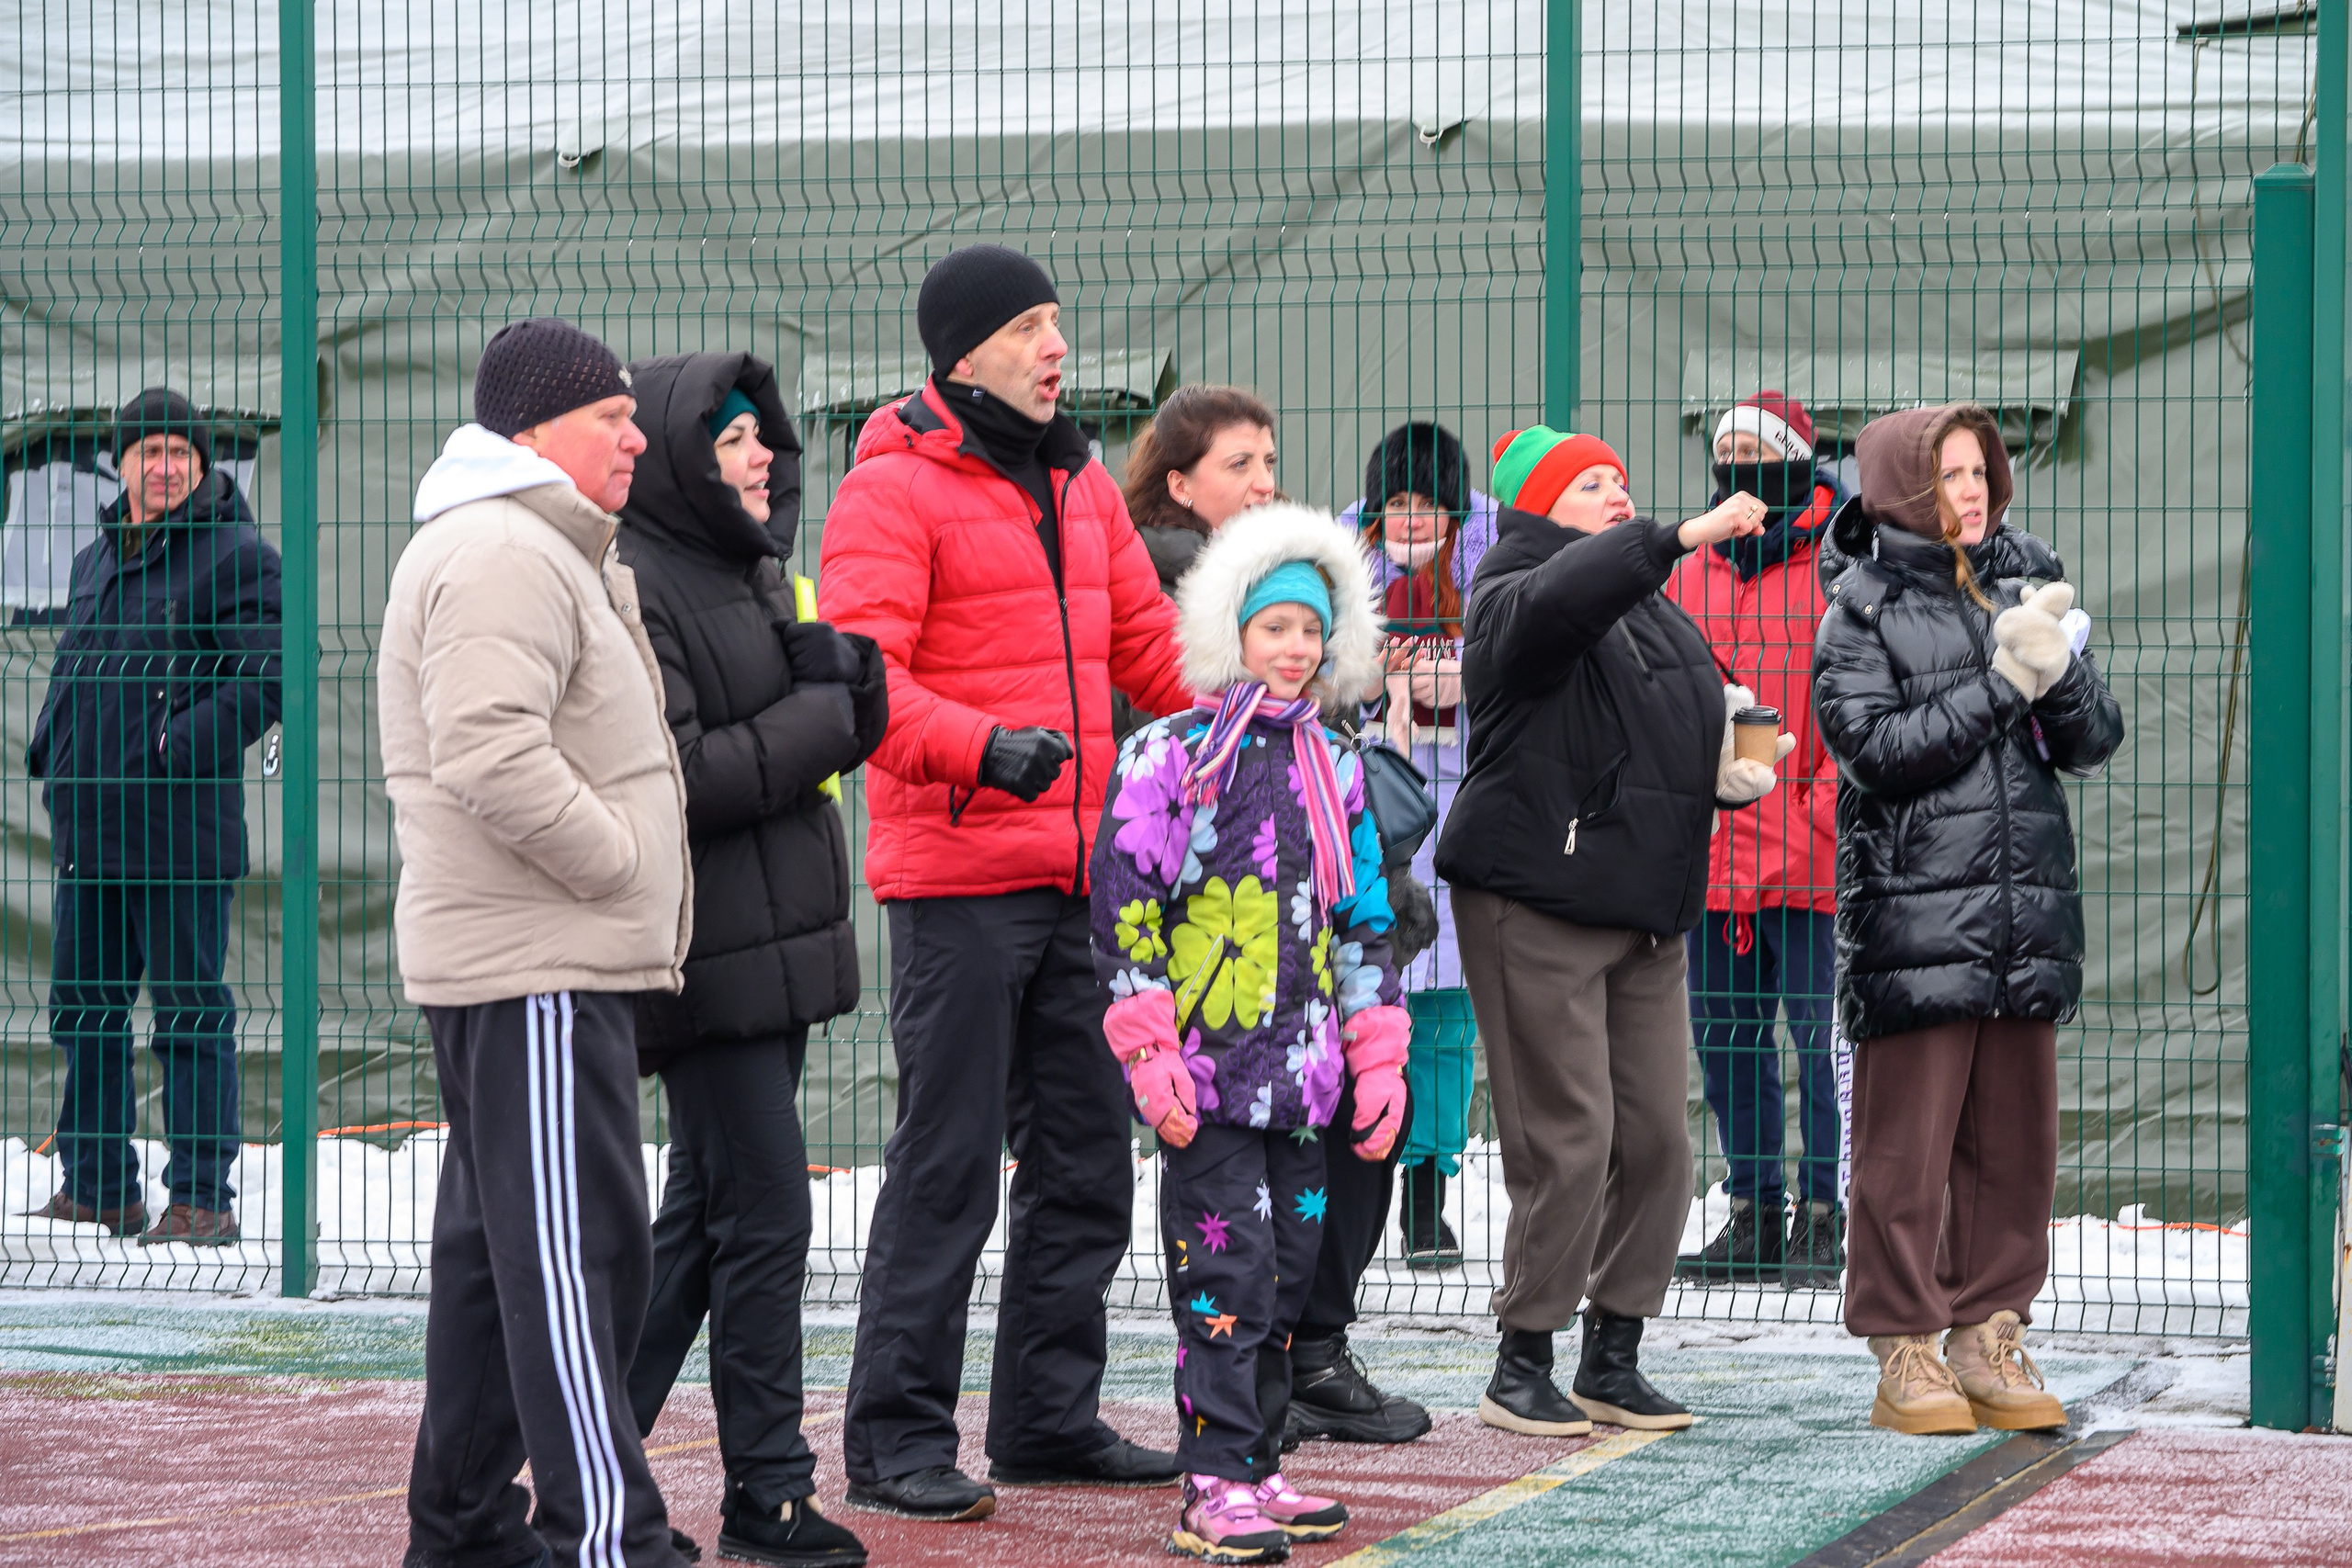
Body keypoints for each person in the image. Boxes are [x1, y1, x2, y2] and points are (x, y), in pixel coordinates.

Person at [819, 244, 1193, 1521]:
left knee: (1089, 1156)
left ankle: (1045, 1415)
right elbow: (865, 682)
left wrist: (1257, 715)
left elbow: (1149, 640)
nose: (1057, 344)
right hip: (961, 878)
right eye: (1030, 324)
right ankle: (896, 1437)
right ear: (961, 351)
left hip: (1082, 874)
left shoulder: (1081, 479)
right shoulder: (890, 490)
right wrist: (984, 746)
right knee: (948, 1162)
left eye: (1058, 322)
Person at [381, 318, 693, 1568]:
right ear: (534, 427)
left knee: (492, 1258)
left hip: (535, 959)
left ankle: (461, 1528)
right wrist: (615, 859)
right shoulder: (508, 548)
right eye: (611, 414)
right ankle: (606, 1533)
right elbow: (490, 752)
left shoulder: (546, 546)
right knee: (581, 1256)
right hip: (538, 962)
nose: (635, 434)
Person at [1433, 425, 1786, 1438]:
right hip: (1534, 898)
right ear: (1540, 507)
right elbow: (1561, 603)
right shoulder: (1511, 590)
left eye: (1622, 482)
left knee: (1661, 1143)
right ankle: (1522, 1359)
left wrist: (1729, 760)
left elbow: (1691, 714)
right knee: (1569, 1140)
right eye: (1592, 484)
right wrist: (1680, 534)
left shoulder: (1651, 615)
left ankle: (1613, 1354)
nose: (1618, 495)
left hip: (1643, 913)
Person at [1089, 502, 1405, 1562]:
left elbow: (1364, 915)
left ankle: (1259, 1464)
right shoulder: (1169, 757)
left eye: (1311, 631)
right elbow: (1127, 908)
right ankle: (1213, 1479)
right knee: (1222, 1282)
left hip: (1305, 1078)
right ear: (1232, 633)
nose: (1295, 649)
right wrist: (1149, 1050)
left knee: (1284, 1273)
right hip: (1211, 1077)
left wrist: (1375, 1048)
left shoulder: (1337, 765)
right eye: (1274, 628)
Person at [616, 352, 887, 1567]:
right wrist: (822, 715)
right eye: (729, 440)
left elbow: (798, 735)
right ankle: (767, 1497)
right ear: (681, 453)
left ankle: (590, 1464)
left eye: (761, 437)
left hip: (770, 944)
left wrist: (853, 690)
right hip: (703, 955)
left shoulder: (757, 568)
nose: (759, 455)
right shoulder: (638, 581)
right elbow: (677, 777)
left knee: (701, 1222)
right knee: (767, 1213)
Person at [1810, 404, 2121, 1435]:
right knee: (1905, 1149)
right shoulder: (1856, 607)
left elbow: (2092, 741)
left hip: (2023, 913)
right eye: (1949, 473)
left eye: (1980, 469)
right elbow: (1875, 750)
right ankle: (1903, 1343)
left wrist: (2059, 671)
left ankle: (1986, 1330)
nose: (1973, 487)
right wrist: (2001, 684)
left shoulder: (2028, 575)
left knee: (2013, 1144)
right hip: (1913, 918)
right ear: (1904, 485)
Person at [23, 388, 281, 1245]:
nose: (165, 466)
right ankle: (99, 1186)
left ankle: (201, 1196)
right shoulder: (97, 557)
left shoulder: (238, 554)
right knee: (83, 1007)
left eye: (181, 452)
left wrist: (174, 748)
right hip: (90, 826)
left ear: (203, 465)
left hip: (180, 831)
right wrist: (50, 751)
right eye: (148, 452)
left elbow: (265, 680)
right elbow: (77, 669)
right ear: (121, 462)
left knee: (188, 1013)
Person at [1663, 391, 1850, 1289]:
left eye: (1755, 450)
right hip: (1716, 845)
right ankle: (1752, 1211)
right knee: (1726, 1036)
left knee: (1818, 1038)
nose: (1737, 464)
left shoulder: (1838, 559)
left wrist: (1824, 804)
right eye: (1725, 449)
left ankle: (1825, 1211)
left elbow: (1858, 693)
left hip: (1814, 841)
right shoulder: (1690, 565)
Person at [1111, 385, 1280, 742]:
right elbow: (1165, 735)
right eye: (1240, 465)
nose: (1266, 484)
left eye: (1268, 462)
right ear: (1181, 486)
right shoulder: (1146, 586)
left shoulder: (1283, 567)